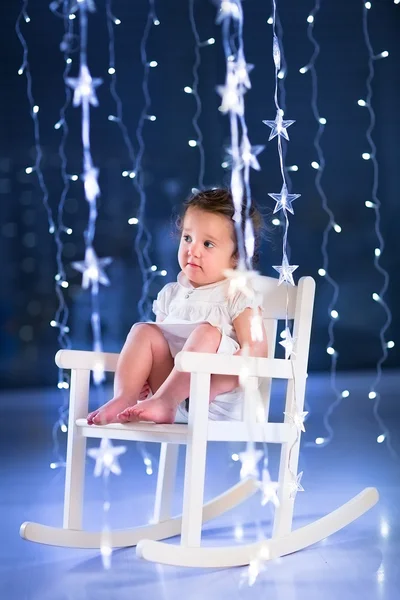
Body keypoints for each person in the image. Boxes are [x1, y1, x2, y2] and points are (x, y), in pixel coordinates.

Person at [87, 188, 268, 426]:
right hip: (166, 395)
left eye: (208, 244)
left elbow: (256, 350)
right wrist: (143, 372)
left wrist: (215, 383)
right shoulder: (171, 294)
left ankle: (166, 401)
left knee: (207, 332)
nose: (193, 250)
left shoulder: (237, 293)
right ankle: (125, 397)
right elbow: (160, 344)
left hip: (213, 401)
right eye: (187, 238)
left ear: (237, 256)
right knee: (144, 331)